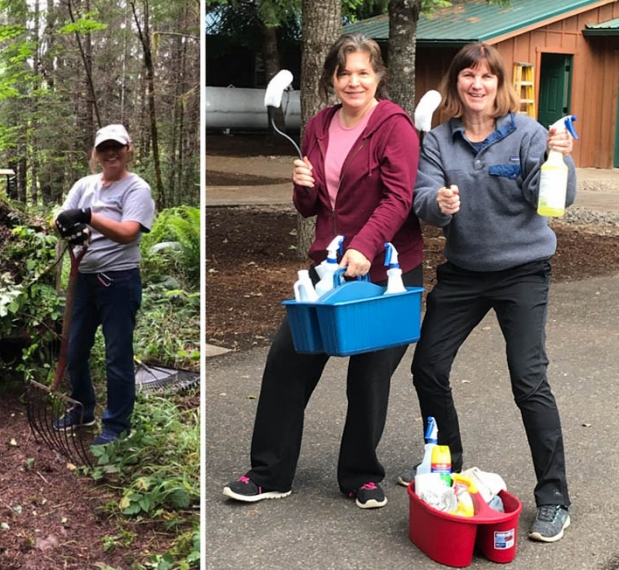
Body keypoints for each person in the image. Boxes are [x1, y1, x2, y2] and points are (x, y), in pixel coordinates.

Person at [222, 33, 424, 509]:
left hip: (387, 270)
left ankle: (360, 475)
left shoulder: (395, 127)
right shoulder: (317, 125)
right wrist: (302, 186)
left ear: (379, 76)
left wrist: (365, 247)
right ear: (332, 78)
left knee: (370, 375)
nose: (354, 81)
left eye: (363, 72)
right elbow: (312, 206)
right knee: (287, 363)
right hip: (330, 269)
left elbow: (398, 199)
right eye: (344, 72)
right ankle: (270, 472)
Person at [402, 42, 574, 542]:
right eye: (468, 76)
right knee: (428, 367)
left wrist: (559, 160)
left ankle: (555, 498)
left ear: (500, 85)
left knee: (528, 379)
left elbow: (554, 200)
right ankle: (447, 469)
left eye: (487, 77)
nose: (477, 85)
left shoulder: (528, 133)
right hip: (463, 272)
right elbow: (421, 201)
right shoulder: (438, 139)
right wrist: (438, 201)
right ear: (457, 82)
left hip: (523, 269)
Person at [51, 124, 155, 446]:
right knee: (75, 349)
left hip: (118, 283)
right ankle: (82, 410)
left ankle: (117, 425)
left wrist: (87, 217)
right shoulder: (84, 185)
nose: (111, 153)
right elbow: (59, 218)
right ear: (95, 154)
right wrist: (65, 225)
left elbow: (129, 233)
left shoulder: (137, 189)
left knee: (117, 355)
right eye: (104, 148)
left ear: (128, 149)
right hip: (83, 281)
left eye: (117, 147)